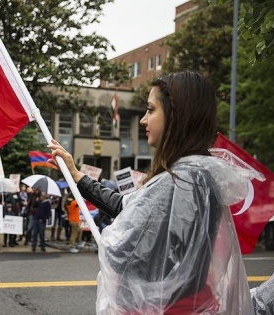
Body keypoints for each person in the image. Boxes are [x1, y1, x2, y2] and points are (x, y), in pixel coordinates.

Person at [49, 71, 255, 314]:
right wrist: (76, 176)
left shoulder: (180, 181)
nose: (143, 120)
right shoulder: (195, 176)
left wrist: (113, 239)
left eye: (150, 109)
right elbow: (126, 207)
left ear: (177, 116)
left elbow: (129, 255)